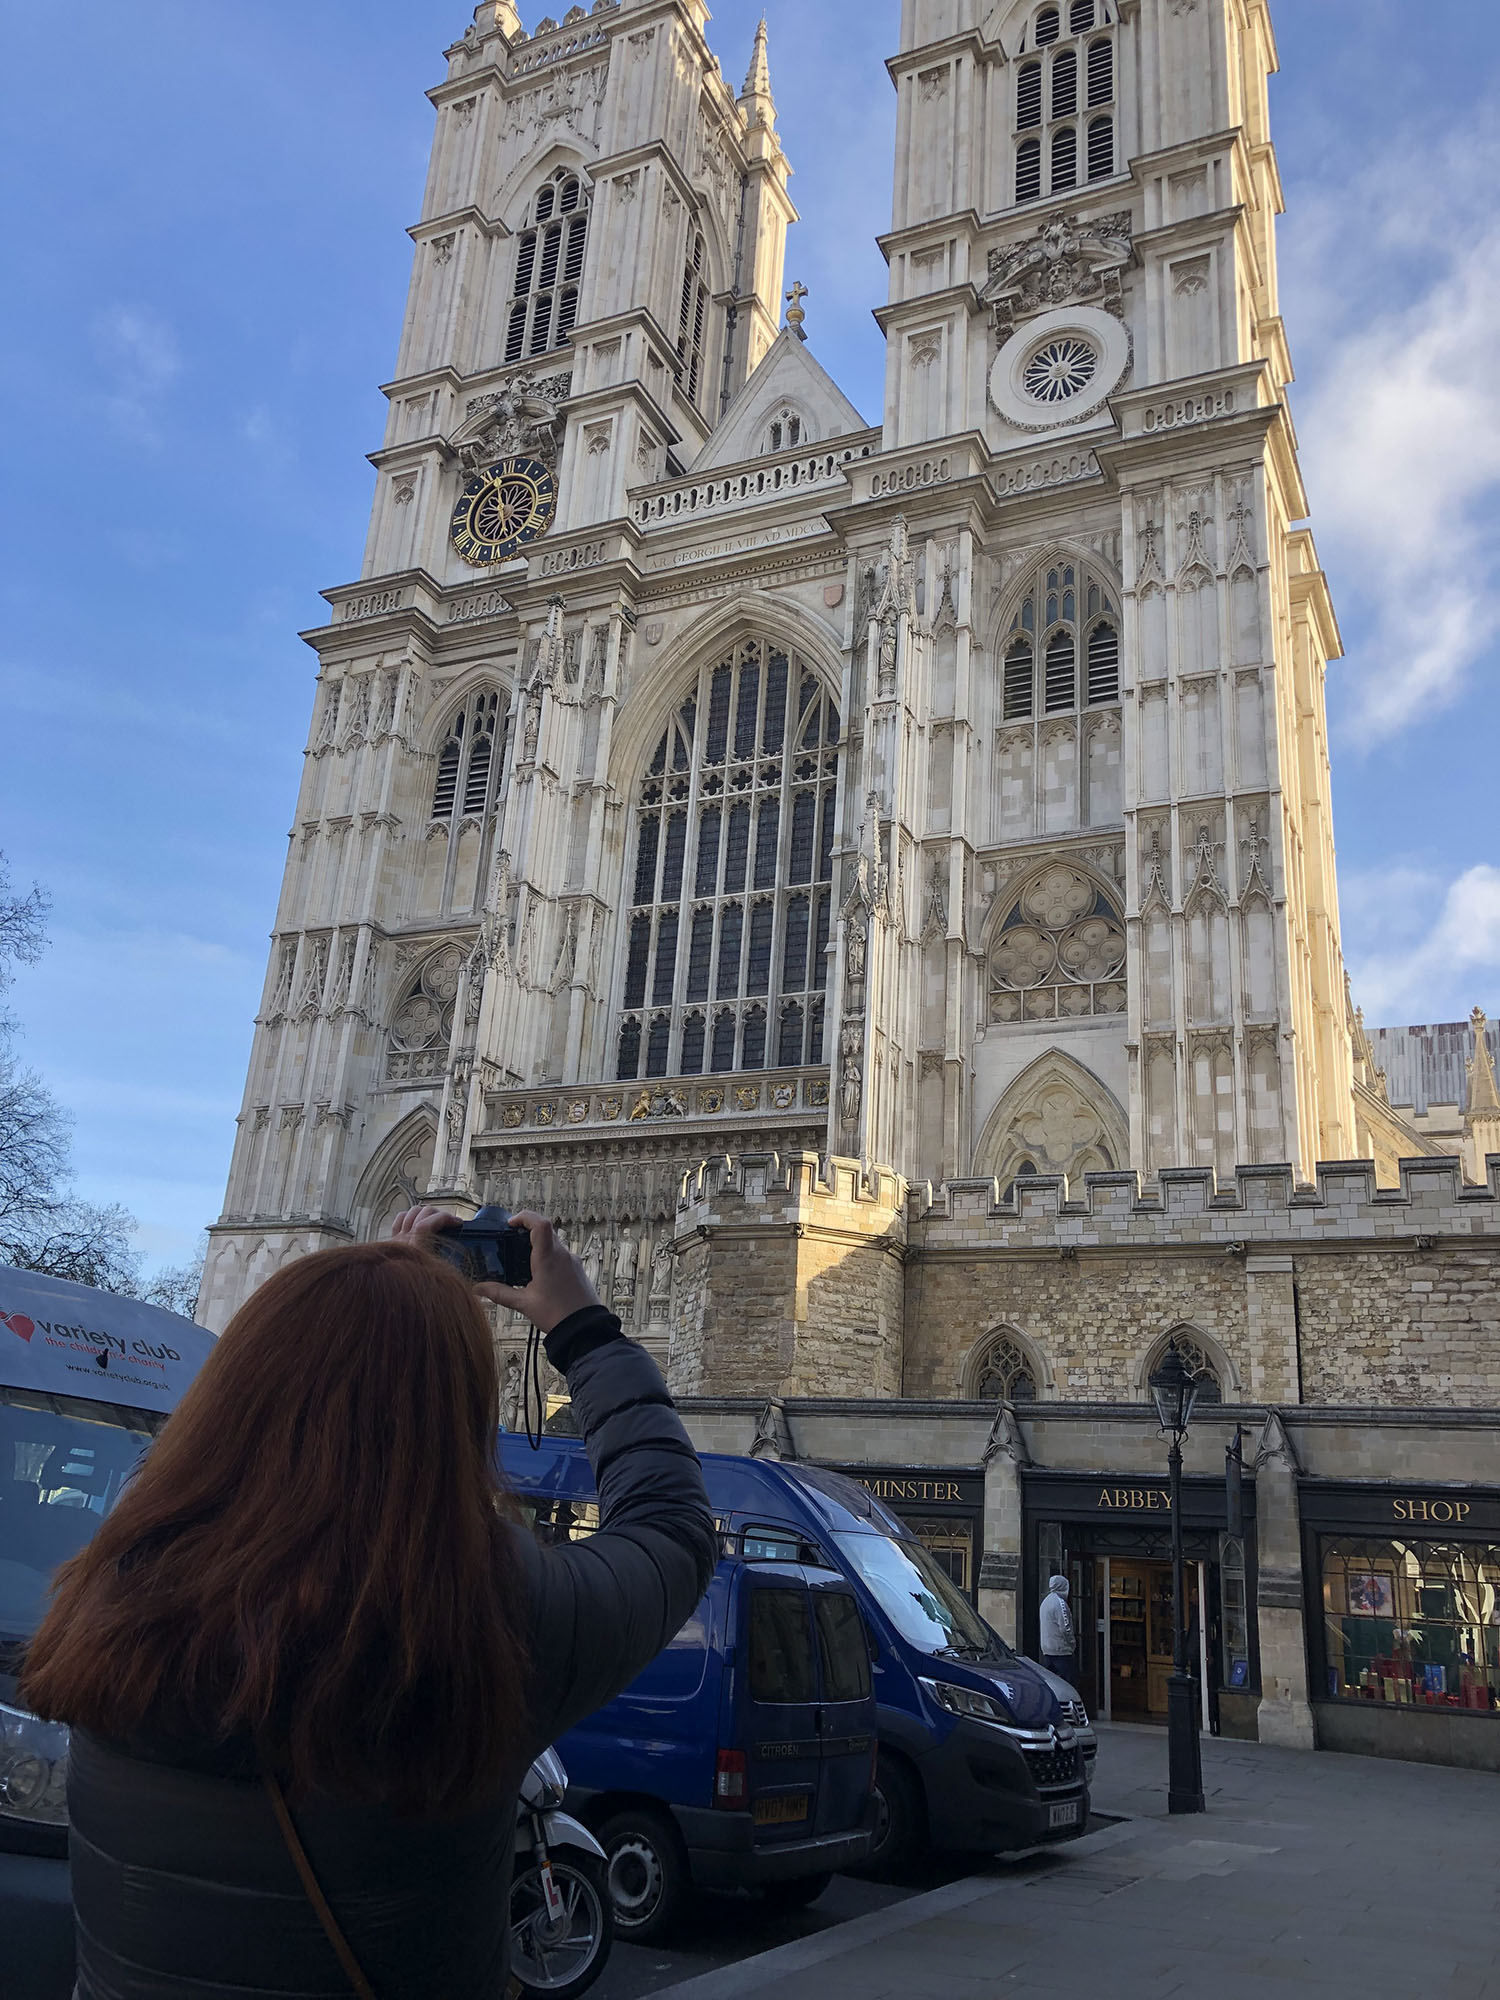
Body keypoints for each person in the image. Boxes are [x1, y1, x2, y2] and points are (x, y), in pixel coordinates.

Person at [21, 1207, 717, 2000]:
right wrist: (584, 1331)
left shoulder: (111, 1592)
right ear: (452, 1418)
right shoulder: (488, 1622)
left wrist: (362, 1293)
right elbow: (672, 1529)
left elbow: (210, 1467)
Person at [1039, 1572, 1077, 1682]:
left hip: (1047, 1651)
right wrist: (1072, 1644)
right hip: (1061, 1652)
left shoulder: (1045, 1602)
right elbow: (1066, 1628)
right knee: (1068, 1684)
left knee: (1051, 1683)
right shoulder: (1060, 1604)